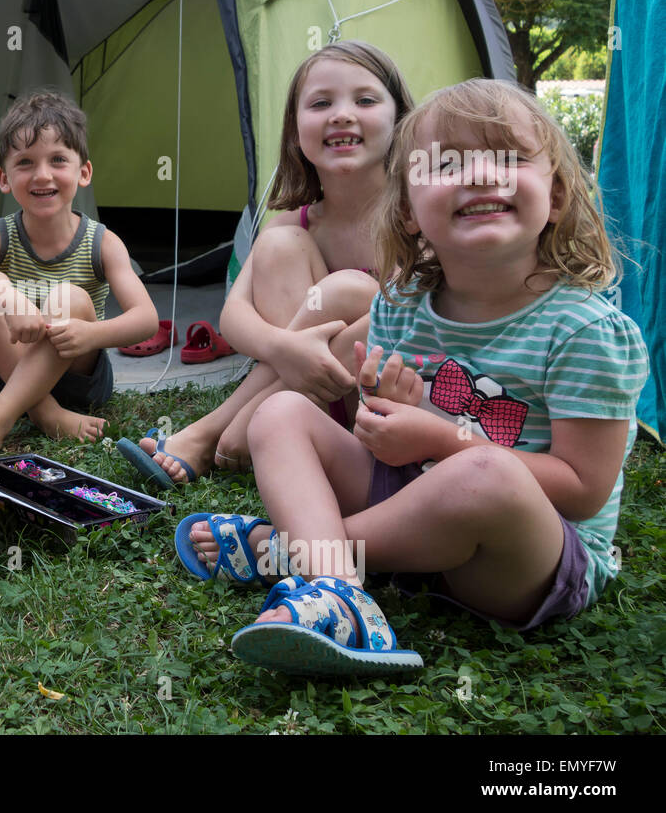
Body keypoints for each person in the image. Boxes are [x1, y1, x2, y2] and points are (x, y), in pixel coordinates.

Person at [176, 79, 648, 676]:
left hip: (524, 557)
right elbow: (383, 427)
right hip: (411, 503)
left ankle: (298, 550)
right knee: (281, 412)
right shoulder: (400, 303)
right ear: (407, 209)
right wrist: (382, 406)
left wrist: (435, 436)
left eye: (509, 158)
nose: (481, 175)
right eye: (447, 163)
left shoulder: (585, 332)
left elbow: (583, 488)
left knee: (486, 471)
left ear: (554, 195)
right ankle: (342, 593)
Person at [117, 41, 414, 487]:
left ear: (401, 120)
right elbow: (233, 318)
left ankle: (219, 429)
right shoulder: (291, 224)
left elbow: (420, 321)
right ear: (295, 130)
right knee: (280, 247)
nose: (342, 114)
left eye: (366, 100)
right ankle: (274, 415)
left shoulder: (421, 214)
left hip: (378, 396)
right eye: (320, 103)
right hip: (310, 381)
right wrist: (286, 349)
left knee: (355, 293)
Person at [0, 90, 158, 461]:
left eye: (57, 159)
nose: (42, 175)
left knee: (67, 298)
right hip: (1, 376)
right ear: (4, 178)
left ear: (83, 172)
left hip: (77, 380)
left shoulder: (102, 242)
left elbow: (146, 319)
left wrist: (91, 333)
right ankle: (45, 413)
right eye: (25, 163)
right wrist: (5, 296)